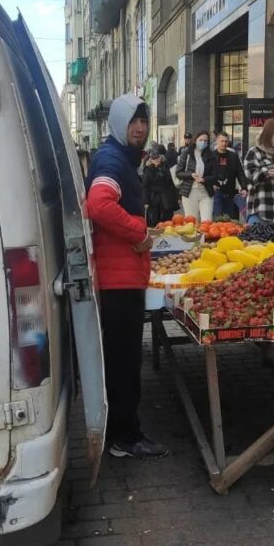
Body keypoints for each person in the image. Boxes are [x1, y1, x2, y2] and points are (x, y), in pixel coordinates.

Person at [84, 93, 169, 459]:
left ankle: (121, 431)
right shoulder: (111, 159)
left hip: (122, 276)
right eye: (133, 121)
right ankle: (125, 437)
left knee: (122, 358)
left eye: (144, 121)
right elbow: (98, 204)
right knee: (124, 361)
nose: (140, 128)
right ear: (119, 124)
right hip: (118, 281)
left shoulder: (120, 157)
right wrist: (139, 231)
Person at [176, 130, 216, 222]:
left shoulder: (211, 155)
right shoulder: (186, 153)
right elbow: (178, 172)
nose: (203, 142)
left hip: (206, 193)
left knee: (207, 221)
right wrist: (190, 175)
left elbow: (215, 175)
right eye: (201, 140)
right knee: (192, 222)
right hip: (190, 192)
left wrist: (204, 179)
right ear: (195, 140)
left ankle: (205, 237)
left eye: (206, 141)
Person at [212, 131, 246, 219]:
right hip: (216, 193)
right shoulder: (211, 156)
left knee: (231, 220)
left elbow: (240, 172)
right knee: (217, 219)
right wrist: (210, 184)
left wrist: (244, 187)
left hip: (230, 193)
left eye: (226, 141)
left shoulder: (233, 156)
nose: (224, 143)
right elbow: (205, 173)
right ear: (216, 141)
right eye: (222, 141)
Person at [142, 146, 177, 227]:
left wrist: (177, 197)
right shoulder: (147, 170)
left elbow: (171, 183)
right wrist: (146, 201)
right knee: (155, 221)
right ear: (150, 160)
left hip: (167, 198)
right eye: (154, 158)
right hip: (154, 199)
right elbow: (144, 186)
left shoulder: (166, 167)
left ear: (161, 157)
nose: (157, 160)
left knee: (168, 221)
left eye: (158, 157)